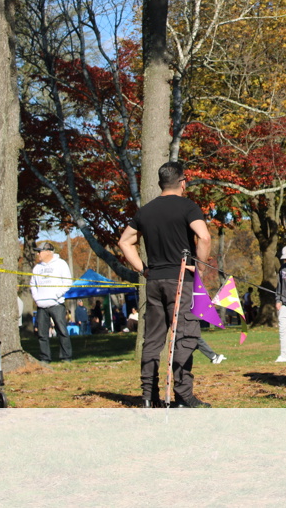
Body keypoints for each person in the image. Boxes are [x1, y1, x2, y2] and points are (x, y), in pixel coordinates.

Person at [118, 161, 212, 408]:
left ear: (161, 183)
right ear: (183, 182)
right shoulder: (188, 207)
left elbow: (124, 242)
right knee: (185, 336)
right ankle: (183, 396)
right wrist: (201, 268)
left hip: (154, 282)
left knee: (153, 340)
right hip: (180, 281)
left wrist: (143, 269)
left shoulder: (145, 211)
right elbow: (204, 237)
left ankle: (149, 397)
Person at [29, 240, 74, 363]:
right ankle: (45, 358)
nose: (38, 254)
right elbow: (32, 284)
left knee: (62, 331)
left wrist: (56, 295)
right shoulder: (37, 268)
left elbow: (67, 282)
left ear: (48, 252)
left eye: (39, 252)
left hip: (56, 304)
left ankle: (66, 357)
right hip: (41, 305)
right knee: (42, 334)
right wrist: (37, 298)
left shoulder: (61, 264)